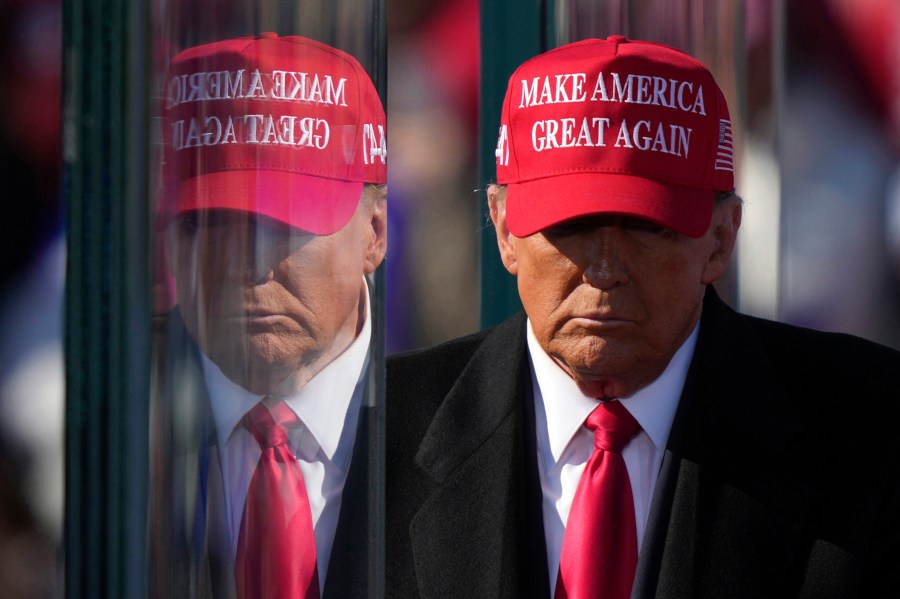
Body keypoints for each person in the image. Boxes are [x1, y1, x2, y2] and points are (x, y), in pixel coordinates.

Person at [386, 35, 900, 598]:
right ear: (506, 231)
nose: (605, 269)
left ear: (721, 239)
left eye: (648, 227)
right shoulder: (375, 436)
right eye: (571, 227)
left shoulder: (870, 433)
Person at [150, 33, 387, 599]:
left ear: (374, 233)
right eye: (209, 225)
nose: (247, 266)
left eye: (285, 226)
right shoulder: (99, 426)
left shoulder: (473, 421)